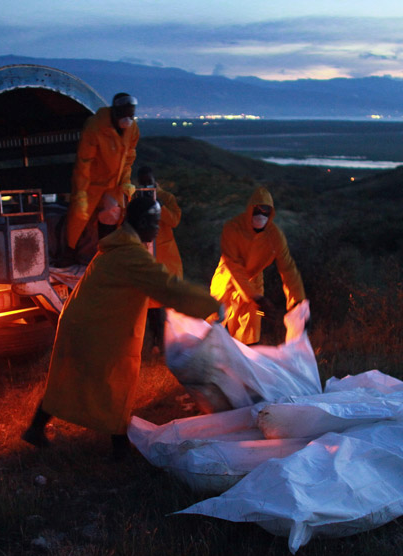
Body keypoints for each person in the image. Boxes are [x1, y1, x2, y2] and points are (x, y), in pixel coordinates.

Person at [22, 194, 222, 458]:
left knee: (74, 380)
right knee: (114, 382)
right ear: (140, 222)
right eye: (154, 222)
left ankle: (37, 430)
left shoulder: (120, 247)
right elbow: (166, 287)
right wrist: (210, 305)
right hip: (96, 327)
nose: (157, 228)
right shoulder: (129, 254)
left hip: (90, 322)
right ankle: (119, 450)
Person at [210, 186, 305, 345]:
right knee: (213, 320)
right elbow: (233, 265)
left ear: (271, 212)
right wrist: (256, 297)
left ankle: (244, 363)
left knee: (250, 330)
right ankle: (204, 360)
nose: (262, 214)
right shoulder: (232, 228)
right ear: (250, 209)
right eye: (258, 209)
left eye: (266, 210)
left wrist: (297, 301)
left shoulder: (275, 236)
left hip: (254, 281)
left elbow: (288, 269)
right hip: (226, 279)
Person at [66, 92, 140, 260]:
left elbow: (129, 158)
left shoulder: (132, 129)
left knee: (113, 214)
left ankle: (105, 254)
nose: (127, 119)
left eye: (131, 115)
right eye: (124, 114)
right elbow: (84, 161)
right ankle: (68, 252)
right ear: (115, 111)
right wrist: (81, 193)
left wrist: (125, 182)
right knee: (79, 217)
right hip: (92, 182)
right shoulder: (96, 126)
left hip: (114, 184)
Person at [137, 166, 183, 354]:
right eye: (143, 182)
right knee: (150, 304)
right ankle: (155, 343)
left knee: (169, 302)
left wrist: (158, 206)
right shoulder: (135, 199)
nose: (147, 185)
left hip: (167, 257)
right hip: (147, 256)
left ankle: (174, 342)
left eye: (150, 181)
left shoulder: (166, 198)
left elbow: (174, 221)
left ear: (155, 180)